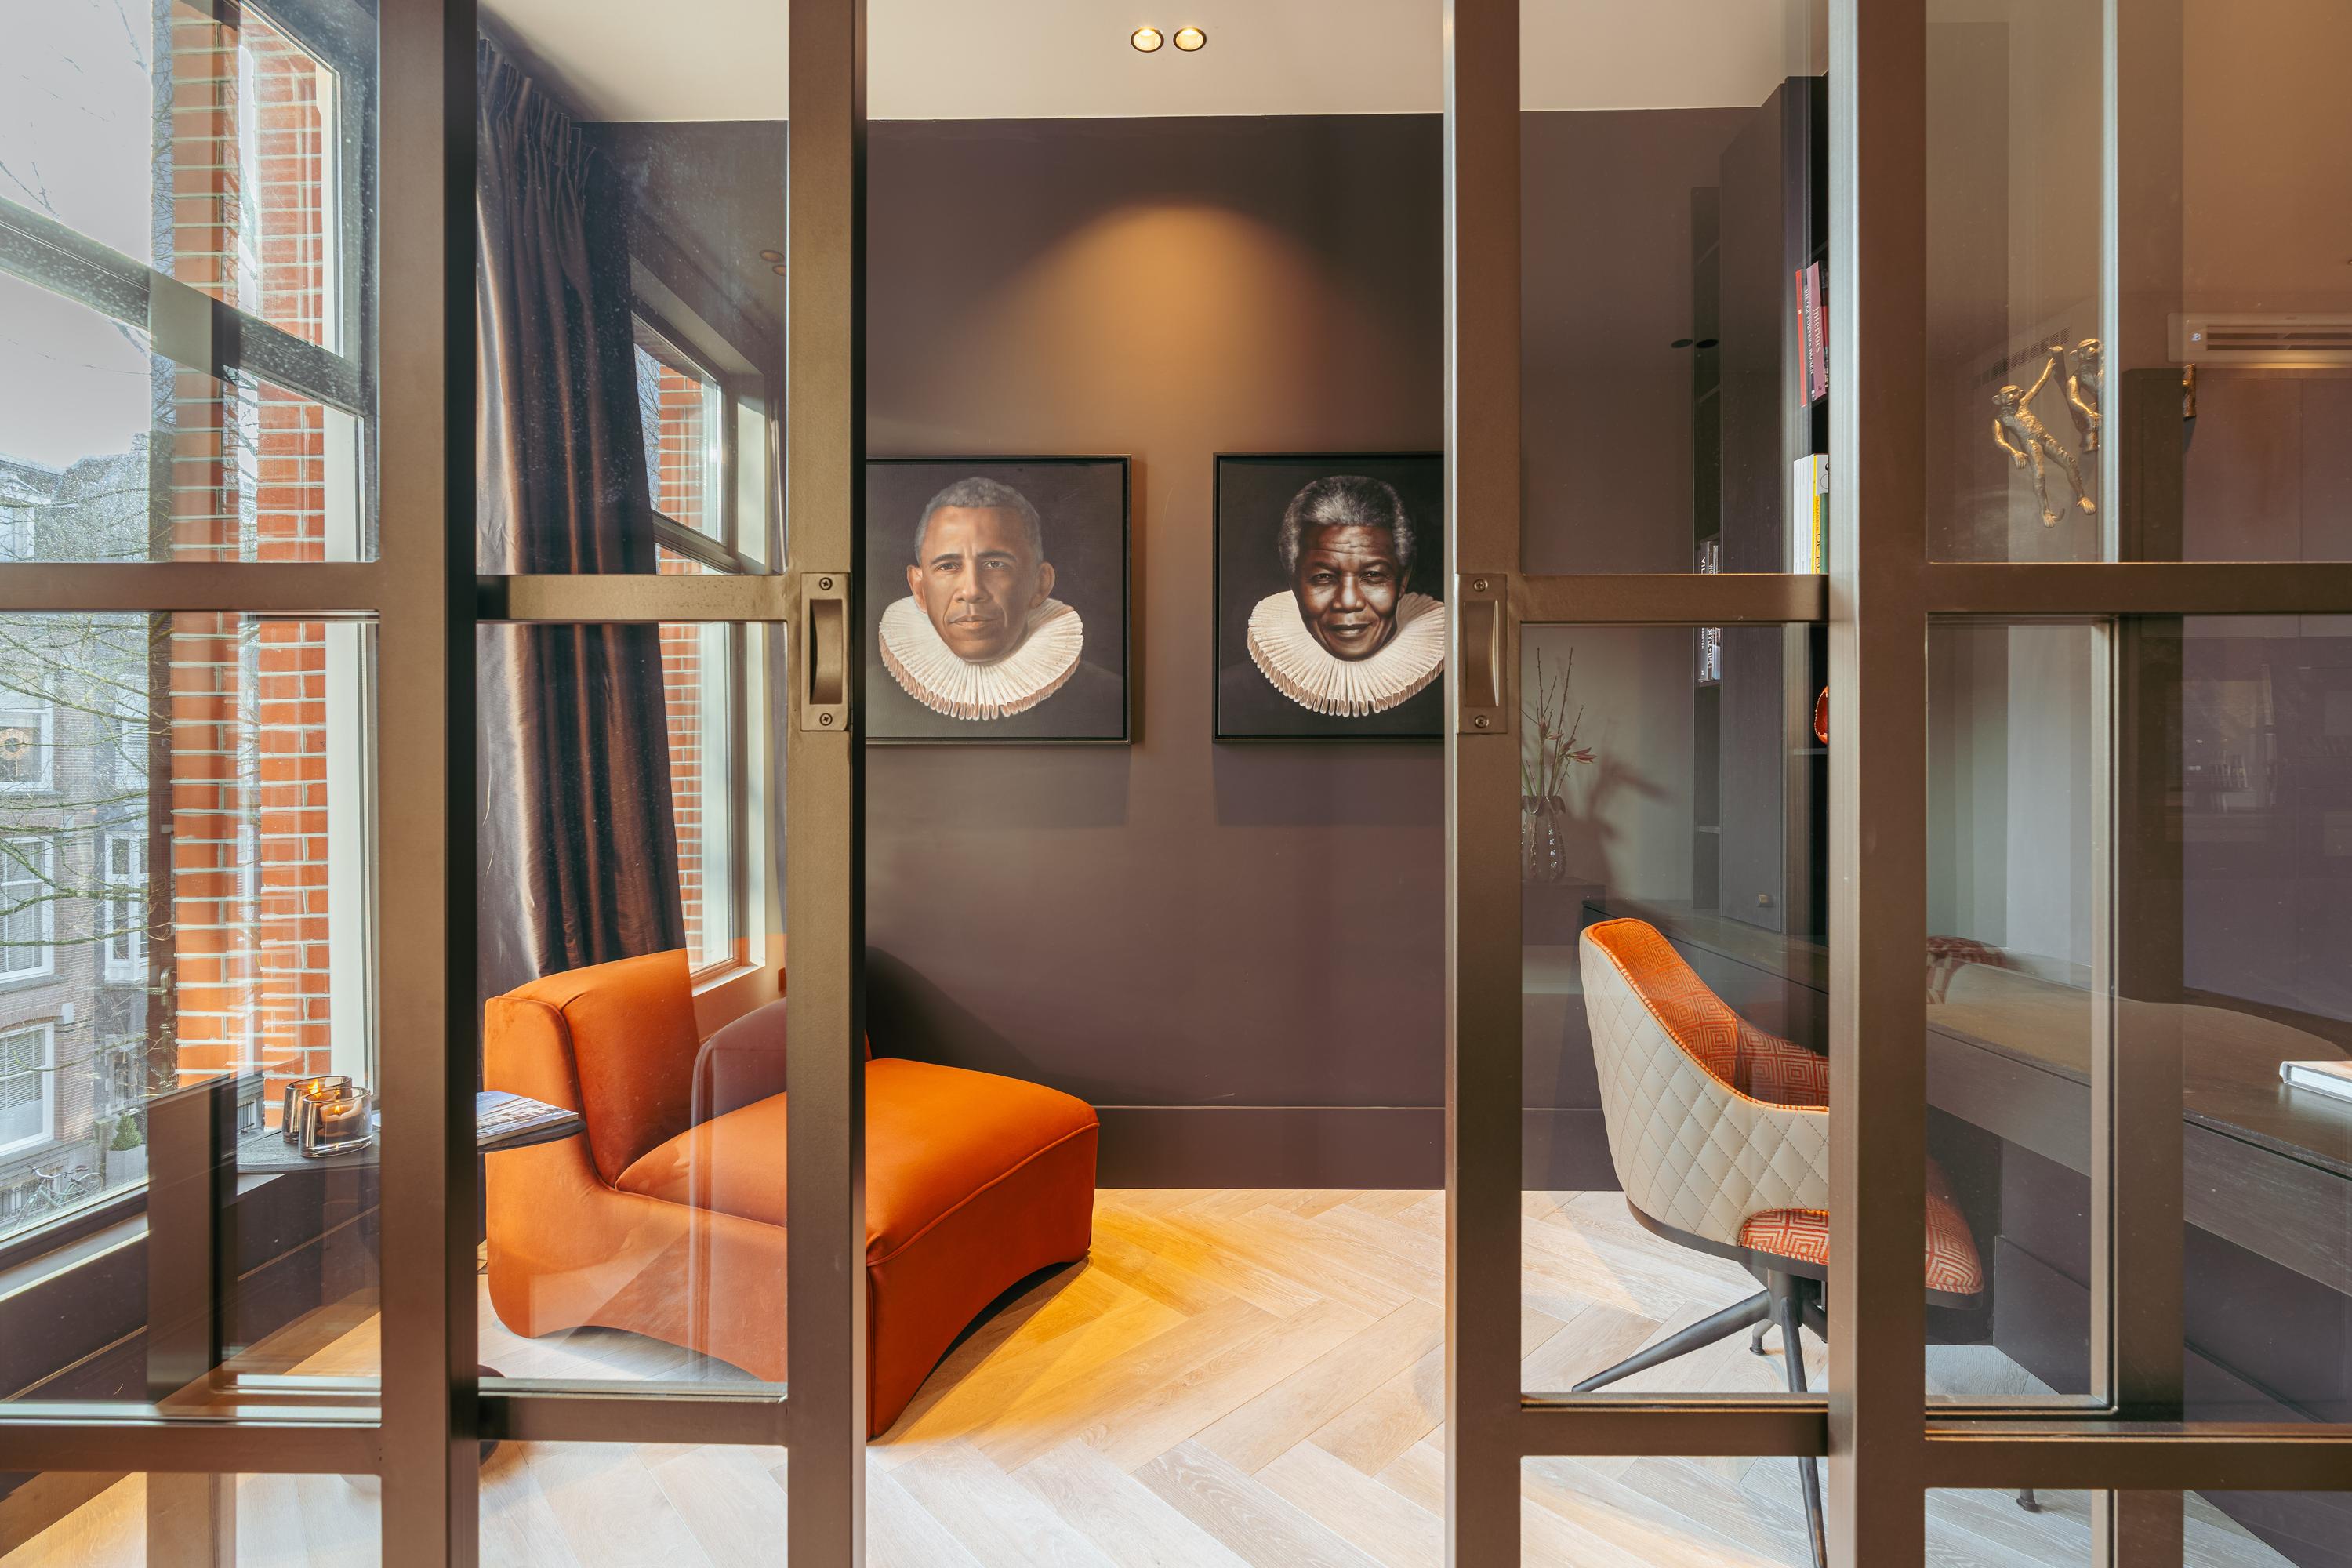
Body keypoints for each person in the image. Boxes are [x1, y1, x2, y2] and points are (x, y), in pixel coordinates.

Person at [876, 476, 1123, 734]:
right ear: (919, 589)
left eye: (995, 564)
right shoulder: (871, 699)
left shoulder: (1110, 702)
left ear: (1040, 584)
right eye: (948, 566)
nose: (971, 591)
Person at [1221, 474, 1446, 733]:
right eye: (1323, 577)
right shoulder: (1233, 697)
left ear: (1402, 581)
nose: (1348, 602)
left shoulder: (1450, 692)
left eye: (1373, 575)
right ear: (1294, 583)